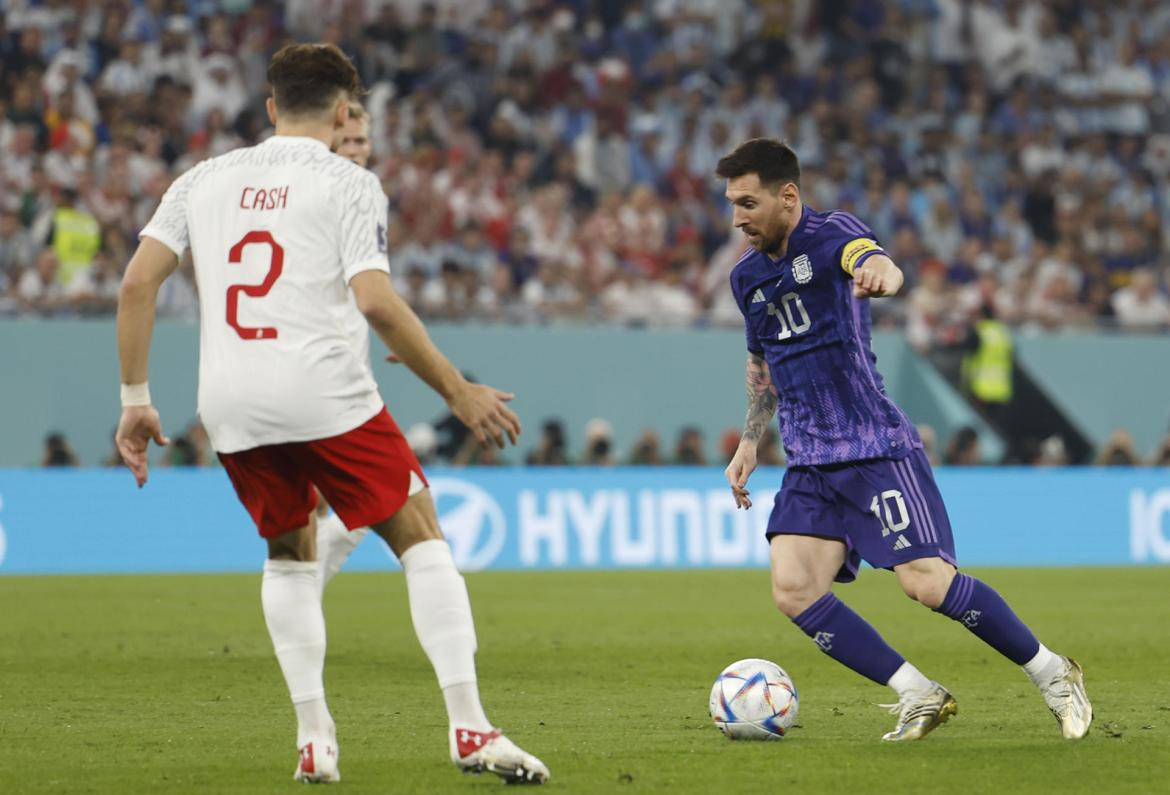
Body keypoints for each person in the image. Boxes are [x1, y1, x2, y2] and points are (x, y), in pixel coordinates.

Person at [114, 44, 548, 785]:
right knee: (421, 535)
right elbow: (376, 300)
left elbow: (135, 284)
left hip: (229, 402)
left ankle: (315, 738)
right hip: (322, 392)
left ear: (271, 107)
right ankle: (471, 727)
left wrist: (135, 400)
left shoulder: (201, 179)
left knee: (289, 552)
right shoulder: (349, 181)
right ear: (346, 110)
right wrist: (456, 390)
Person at [717, 138, 1091, 743]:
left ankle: (1053, 672)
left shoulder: (832, 233)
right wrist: (750, 440)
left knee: (926, 584)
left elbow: (878, 260)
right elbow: (762, 361)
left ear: (788, 195)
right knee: (792, 590)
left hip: (874, 448)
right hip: (809, 461)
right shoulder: (746, 277)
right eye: (732, 204)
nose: (737, 217)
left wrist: (881, 276)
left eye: (748, 202)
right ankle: (918, 692)